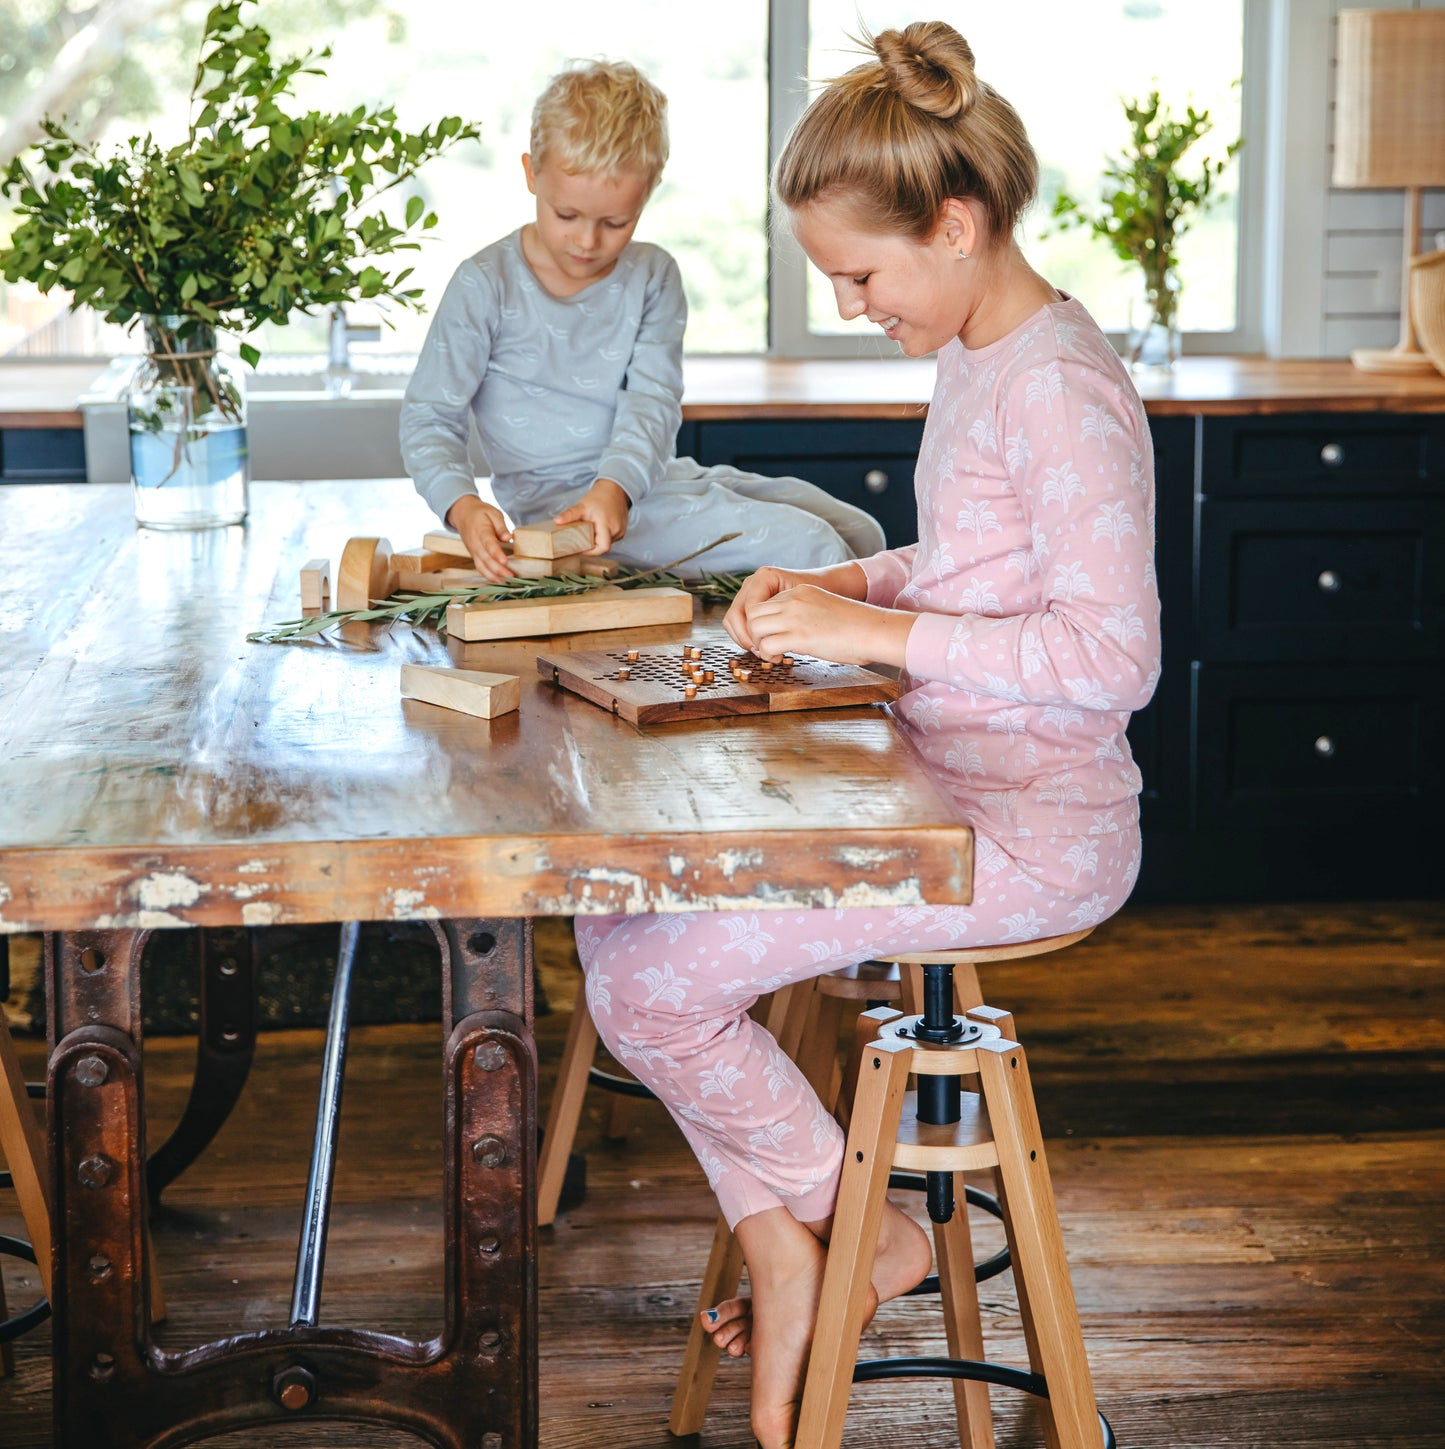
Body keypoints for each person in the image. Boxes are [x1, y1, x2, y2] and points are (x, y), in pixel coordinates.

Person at [571, 21, 1161, 1448]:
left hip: (1029, 836)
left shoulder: (1063, 390)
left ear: (955, 226)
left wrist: (875, 637)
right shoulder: (981, 349)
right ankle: (786, 1243)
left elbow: (1112, 656)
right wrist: (849, 584)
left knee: (647, 989)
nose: (848, 307)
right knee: (616, 925)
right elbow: (977, 573)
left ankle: (868, 1230)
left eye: (860, 274)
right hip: (944, 794)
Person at [400, 59, 885, 581]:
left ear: (648, 191)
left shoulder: (653, 275)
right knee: (815, 545)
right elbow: (429, 417)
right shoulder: (484, 284)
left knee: (863, 534)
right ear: (530, 173)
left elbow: (652, 403)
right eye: (567, 215)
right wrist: (463, 506)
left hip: (643, 482)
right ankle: (839, 659)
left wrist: (617, 487)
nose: (587, 241)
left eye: (615, 222)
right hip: (561, 510)